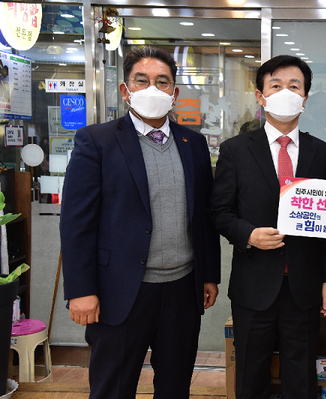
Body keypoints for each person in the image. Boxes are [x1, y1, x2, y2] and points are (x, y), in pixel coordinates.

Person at [60, 46, 221, 399]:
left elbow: (203, 217)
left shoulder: (192, 143)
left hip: (182, 288)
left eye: (162, 81)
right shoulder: (97, 141)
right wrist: (80, 290)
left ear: (174, 93)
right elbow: (76, 223)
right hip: (119, 291)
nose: (153, 88)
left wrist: (209, 273)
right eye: (142, 80)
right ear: (125, 90)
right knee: (112, 388)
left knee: (175, 386)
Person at [210, 55, 326, 399]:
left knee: (301, 377)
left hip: (304, 286)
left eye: (294, 86)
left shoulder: (323, 154)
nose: (285, 92)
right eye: (276, 86)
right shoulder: (235, 150)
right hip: (254, 285)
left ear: (305, 97)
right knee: (250, 374)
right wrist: (247, 234)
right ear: (260, 96)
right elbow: (219, 211)